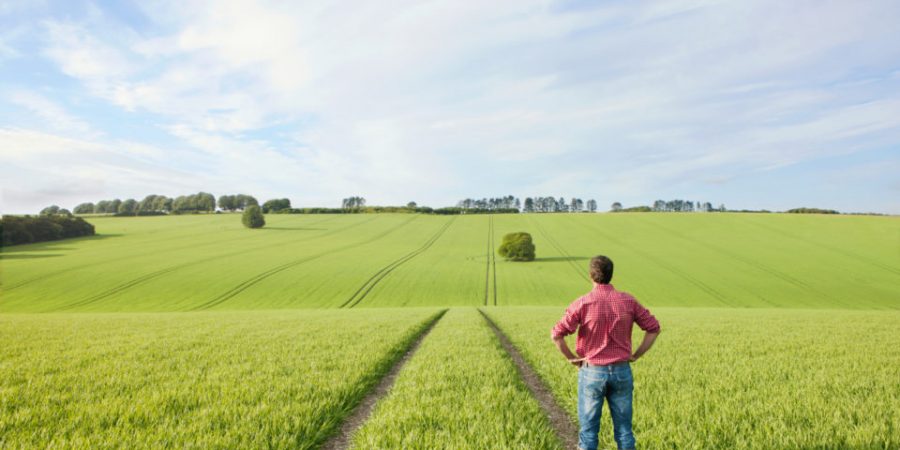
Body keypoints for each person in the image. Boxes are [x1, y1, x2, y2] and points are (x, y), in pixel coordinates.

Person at [551, 255, 661, 450]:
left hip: (592, 371)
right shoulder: (628, 301)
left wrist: (572, 359)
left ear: (591, 275)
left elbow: (557, 335)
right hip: (621, 371)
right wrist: (637, 354)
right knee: (624, 431)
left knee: (588, 433)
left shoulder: (583, 303)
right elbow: (653, 328)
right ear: (611, 274)